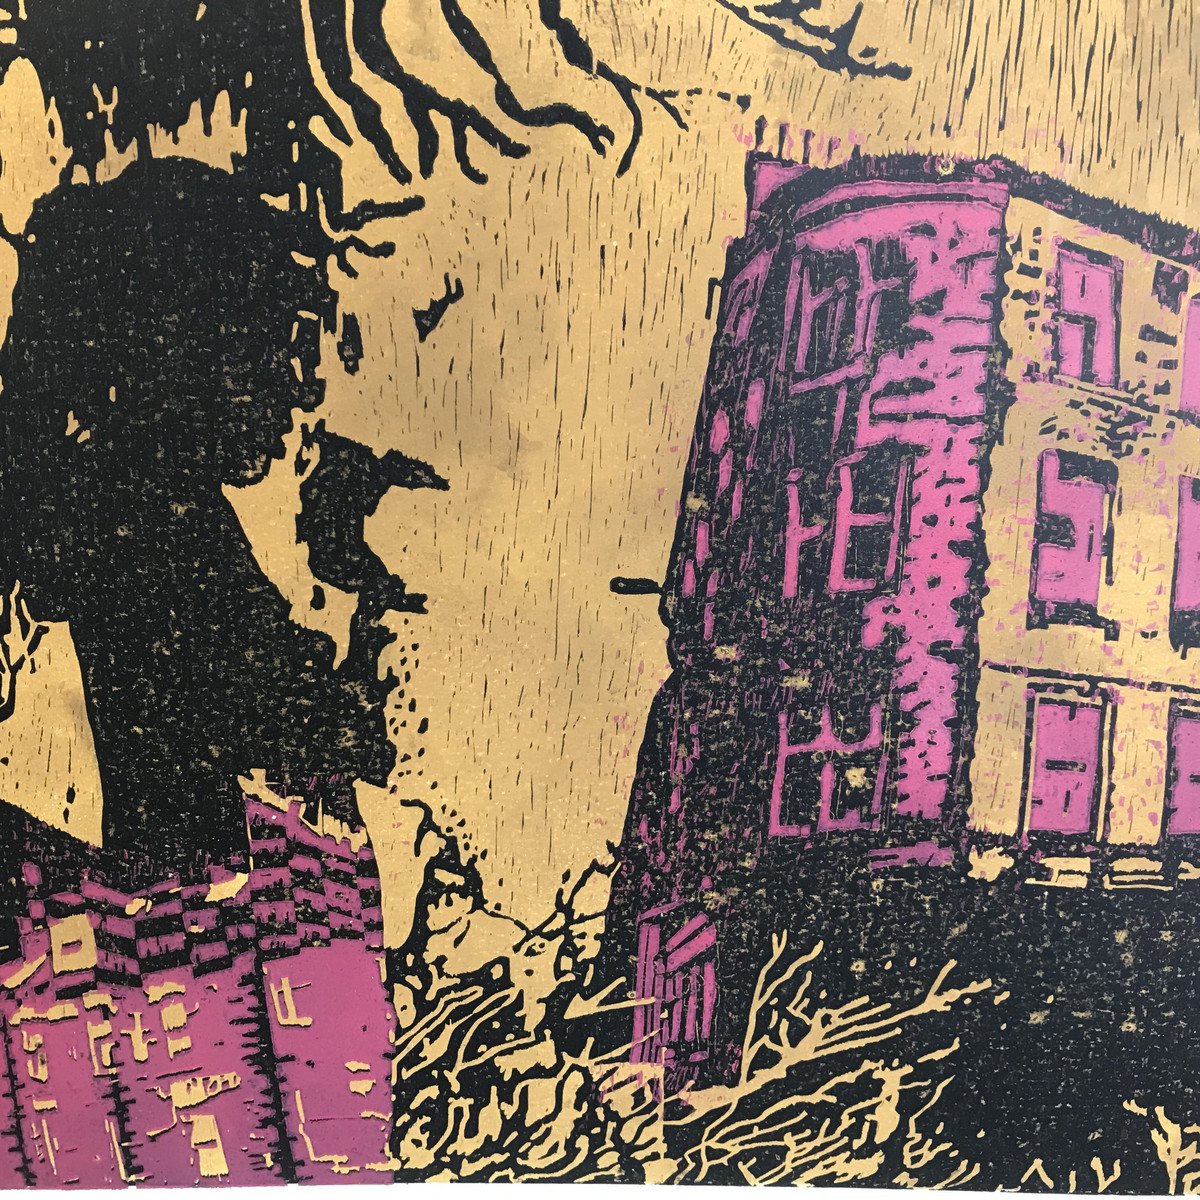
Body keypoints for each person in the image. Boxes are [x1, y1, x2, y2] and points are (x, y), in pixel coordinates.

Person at [0, 156, 444, 879]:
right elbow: (294, 723)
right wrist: (374, 631)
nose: (296, 388)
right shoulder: (152, 513)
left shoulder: (127, 495)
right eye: (272, 345)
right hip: (190, 915)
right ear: (189, 348)